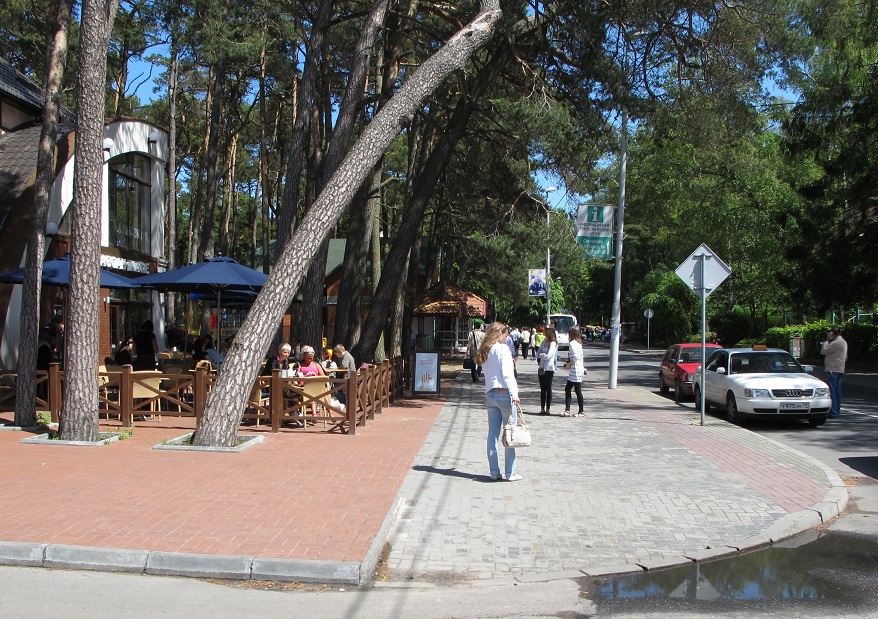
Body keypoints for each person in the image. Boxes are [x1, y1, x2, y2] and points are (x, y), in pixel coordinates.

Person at [475, 322, 521, 481]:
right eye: (505, 335)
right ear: (499, 334)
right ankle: (510, 472)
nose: (506, 338)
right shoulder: (502, 349)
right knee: (510, 433)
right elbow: (508, 374)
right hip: (504, 394)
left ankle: (494, 471)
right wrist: (515, 394)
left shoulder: (485, 351)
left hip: (490, 395)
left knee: (492, 435)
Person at [821, 325, 848, 419]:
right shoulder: (843, 342)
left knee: (832, 391)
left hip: (832, 369)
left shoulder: (836, 342)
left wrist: (827, 341)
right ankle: (837, 410)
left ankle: (833, 412)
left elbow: (824, 351)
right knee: (837, 391)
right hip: (839, 369)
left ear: (832, 333)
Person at [561, 326, 586, 417]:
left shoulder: (572, 344)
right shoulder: (579, 344)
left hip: (575, 369)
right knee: (569, 388)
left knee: (576, 390)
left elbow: (575, 358)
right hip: (577, 369)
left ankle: (580, 411)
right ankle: (569, 410)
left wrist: (568, 364)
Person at [537, 327, 558, 415]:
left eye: (545, 332)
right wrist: (542, 355)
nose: (544, 334)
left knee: (548, 388)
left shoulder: (553, 344)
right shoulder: (543, 342)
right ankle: (542, 408)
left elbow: (548, 356)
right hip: (541, 367)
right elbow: (538, 353)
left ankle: (548, 408)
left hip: (549, 368)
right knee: (542, 389)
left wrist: (542, 355)